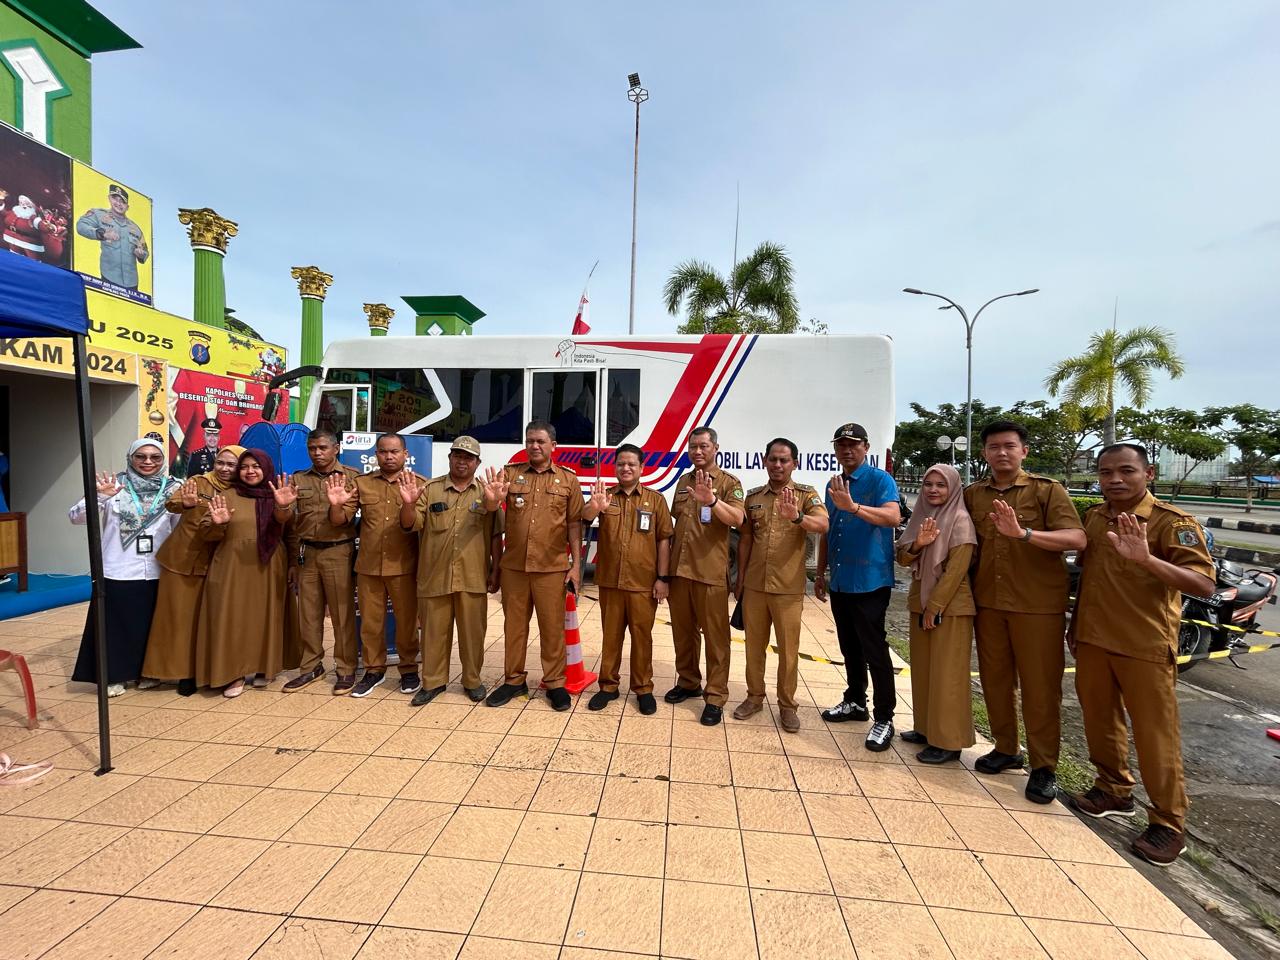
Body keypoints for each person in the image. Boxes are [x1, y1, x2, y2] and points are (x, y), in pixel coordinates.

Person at [1069, 442, 1214, 866]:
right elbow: (1089, 576)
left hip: (1145, 644)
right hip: (1094, 638)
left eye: (1126, 471)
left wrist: (1147, 559)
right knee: (1099, 718)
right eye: (1106, 472)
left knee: (1156, 736)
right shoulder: (1095, 517)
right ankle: (1113, 790)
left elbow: (1203, 585)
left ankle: (1169, 823)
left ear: (1148, 474)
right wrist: (1075, 625)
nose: (1115, 479)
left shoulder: (1172, 522)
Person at [963, 419, 1086, 804]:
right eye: (994, 447)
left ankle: (1044, 766)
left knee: (1039, 689)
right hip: (989, 604)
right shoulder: (973, 495)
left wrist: (1025, 534)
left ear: (1023, 451)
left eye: (1009, 446)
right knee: (995, 681)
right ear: (984, 452)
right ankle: (1005, 748)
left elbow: (1076, 538)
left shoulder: (1047, 491)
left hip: (1037, 607)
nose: (1001, 452)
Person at [482, 420, 583, 711]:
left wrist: (576, 566)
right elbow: (492, 510)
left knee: (552, 629)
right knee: (514, 628)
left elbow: (574, 525)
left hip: (552, 568)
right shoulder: (510, 475)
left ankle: (555, 683)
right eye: (529, 441)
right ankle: (514, 681)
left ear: (553, 445)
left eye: (540, 441)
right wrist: (493, 501)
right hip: (514, 568)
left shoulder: (568, 480)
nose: (534, 446)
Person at [815, 422, 903, 751]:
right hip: (841, 579)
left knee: (874, 649)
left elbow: (893, 518)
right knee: (849, 646)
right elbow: (829, 530)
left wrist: (853, 506)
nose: (847, 450)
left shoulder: (880, 480)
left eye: (853, 444)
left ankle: (884, 716)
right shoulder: (833, 483)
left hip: (870, 581)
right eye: (841, 445)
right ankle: (855, 701)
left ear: (866, 447)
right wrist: (821, 572)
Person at [69, 439, 180, 697]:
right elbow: (76, 517)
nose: (148, 462)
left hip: (157, 569)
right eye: (141, 456)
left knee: (151, 626)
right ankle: (114, 676)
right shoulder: (113, 486)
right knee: (115, 627)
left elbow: (179, 528)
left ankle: (148, 672)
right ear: (130, 458)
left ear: (163, 460)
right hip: (118, 568)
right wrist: (99, 497)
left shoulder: (174, 489)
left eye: (155, 457)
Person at [732, 438, 828, 733]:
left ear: (794, 464)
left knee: (788, 651)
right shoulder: (753, 497)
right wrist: (740, 580)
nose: (777, 465)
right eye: (773, 459)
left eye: (784, 460)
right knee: (753, 647)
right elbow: (746, 539)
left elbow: (823, 525)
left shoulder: (806, 495)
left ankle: (787, 706)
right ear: (764, 460)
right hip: (756, 585)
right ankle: (754, 697)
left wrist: (798, 517)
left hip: (787, 587)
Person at [400, 436, 503, 706]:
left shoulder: (486, 492)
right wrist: (409, 504)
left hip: (473, 577)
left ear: (477, 463)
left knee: (473, 635)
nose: (462, 460)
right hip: (435, 575)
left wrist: (496, 570)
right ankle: (433, 682)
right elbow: (412, 524)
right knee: (434, 633)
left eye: (468, 457)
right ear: (449, 458)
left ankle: (472, 680)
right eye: (457, 455)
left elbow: (495, 534)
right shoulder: (430, 490)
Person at [141, 444, 243, 695]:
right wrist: (186, 505)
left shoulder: (242, 491)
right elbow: (173, 503)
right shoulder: (199, 482)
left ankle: (203, 671)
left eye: (232, 464)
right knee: (174, 620)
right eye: (221, 462)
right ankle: (169, 672)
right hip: (181, 559)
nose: (225, 469)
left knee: (206, 621)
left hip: (216, 564)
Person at [582, 443, 674, 715]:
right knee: (610, 638)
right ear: (615, 467)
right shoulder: (605, 496)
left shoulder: (655, 500)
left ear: (641, 468)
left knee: (642, 637)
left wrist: (662, 578)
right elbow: (584, 519)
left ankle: (643, 688)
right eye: (621, 463)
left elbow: (664, 541)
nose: (625, 468)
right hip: (610, 582)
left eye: (631, 464)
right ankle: (608, 686)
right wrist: (593, 507)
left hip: (643, 584)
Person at [327, 433, 423, 698]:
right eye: (383, 452)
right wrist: (336, 505)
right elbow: (340, 520)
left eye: (394, 452)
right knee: (370, 624)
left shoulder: (419, 485)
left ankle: (408, 669)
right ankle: (373, 670)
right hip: (368, 567)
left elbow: (413, 525)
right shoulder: (362, 484)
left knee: (406, 624)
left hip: (404, 567)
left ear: (405, 454)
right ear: (376, 454)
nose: (389, 457)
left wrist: (409, 502)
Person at [895, 464, 978, 764]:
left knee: (947, 675)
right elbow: (902, 557)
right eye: (928, 484)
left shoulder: (960, 521)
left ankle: (949, 741)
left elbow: (956, 572)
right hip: (921, 601)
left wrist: (935, 607)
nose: (933, 490)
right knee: (924, 670)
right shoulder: (922, 517)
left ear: (953, 488)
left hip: (950, 608)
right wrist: (919, 543)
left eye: (940, 485)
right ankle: (927, 728)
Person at [664, 426, 746, 726]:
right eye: (693, 446)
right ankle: (688, 682)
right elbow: (678, 521)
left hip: (710, 573)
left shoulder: (728, 483)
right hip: (680, 572)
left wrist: (712, 500)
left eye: (703, 446)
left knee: (715, 639)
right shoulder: (684, 480)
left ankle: (715, 696)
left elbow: (737, 518)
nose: (697, 452)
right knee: (683, 633)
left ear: (715, 448)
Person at [196, 448, 291, 697]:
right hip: (232, 565)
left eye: (256, 466)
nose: (250, 471)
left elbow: (289, 527)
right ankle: (233, 673)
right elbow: (206, 532)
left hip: (269, 565)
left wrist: (282, 507)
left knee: (265, 615)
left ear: (266, 468)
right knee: (233, 617)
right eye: (245, 467)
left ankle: (263, 667)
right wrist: (219, 523)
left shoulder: (277, 494)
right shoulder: (227, 495)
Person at [278, 429, 361, 694]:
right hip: (306, 554)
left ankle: (346, 668)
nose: (317, 453)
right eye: (312, 448)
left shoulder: (351, 477)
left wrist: (336, 505)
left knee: (342, 614)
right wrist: (282, 507)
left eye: (323, 447)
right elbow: (287, 523)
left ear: (336, 448)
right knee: (308, 615)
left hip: (339, 551)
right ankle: (311, 666)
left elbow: (343, 519)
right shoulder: (298, 479)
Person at [74, 183, 149, 290]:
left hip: (132, 283)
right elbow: (81, 226)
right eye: (115, 199)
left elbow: (145, 251)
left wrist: (141, 254)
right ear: (109, 198)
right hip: (109, 278)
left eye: (122, 201)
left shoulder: (135, 228)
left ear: (127, 207)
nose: (118, 203)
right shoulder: (99, 214)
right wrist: (102, 234)